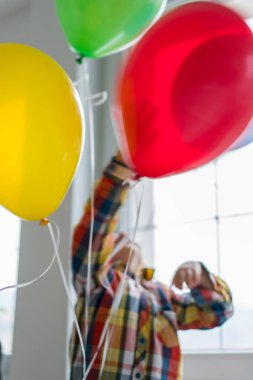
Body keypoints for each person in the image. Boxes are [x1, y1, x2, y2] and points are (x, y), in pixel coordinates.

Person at [70, 153, 233, 380]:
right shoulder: (100, 283)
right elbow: (91, 239)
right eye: (120, 239)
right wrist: (116, 178)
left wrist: (201, 276)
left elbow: (218, 312)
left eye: (133, 242)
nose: (129, 241)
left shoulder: (163, 296)